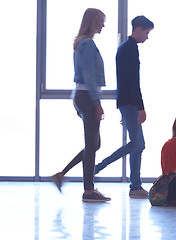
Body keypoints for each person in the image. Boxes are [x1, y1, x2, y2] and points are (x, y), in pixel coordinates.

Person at [51, 8, 111, 202]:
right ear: (92, 21)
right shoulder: (88, 44)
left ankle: (61, 175)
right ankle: (88, 191)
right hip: (86, 96)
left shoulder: (82, 43)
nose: (103, 25)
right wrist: (97, 102)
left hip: (82, 95)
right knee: (91, 144)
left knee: (94, 144)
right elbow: (89, 76)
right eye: (101, 21)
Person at [93, 16, 154, 199]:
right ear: (139, 29)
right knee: (137, 144)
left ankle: (135, 186)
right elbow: (132, 81)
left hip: (127, 102)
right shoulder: (129, 49)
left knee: (138, 145)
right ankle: (97, 167)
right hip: (130, 102)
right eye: (147, 32)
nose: (147, 37)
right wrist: (139, 107)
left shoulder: (125, 48)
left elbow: (125, 81)